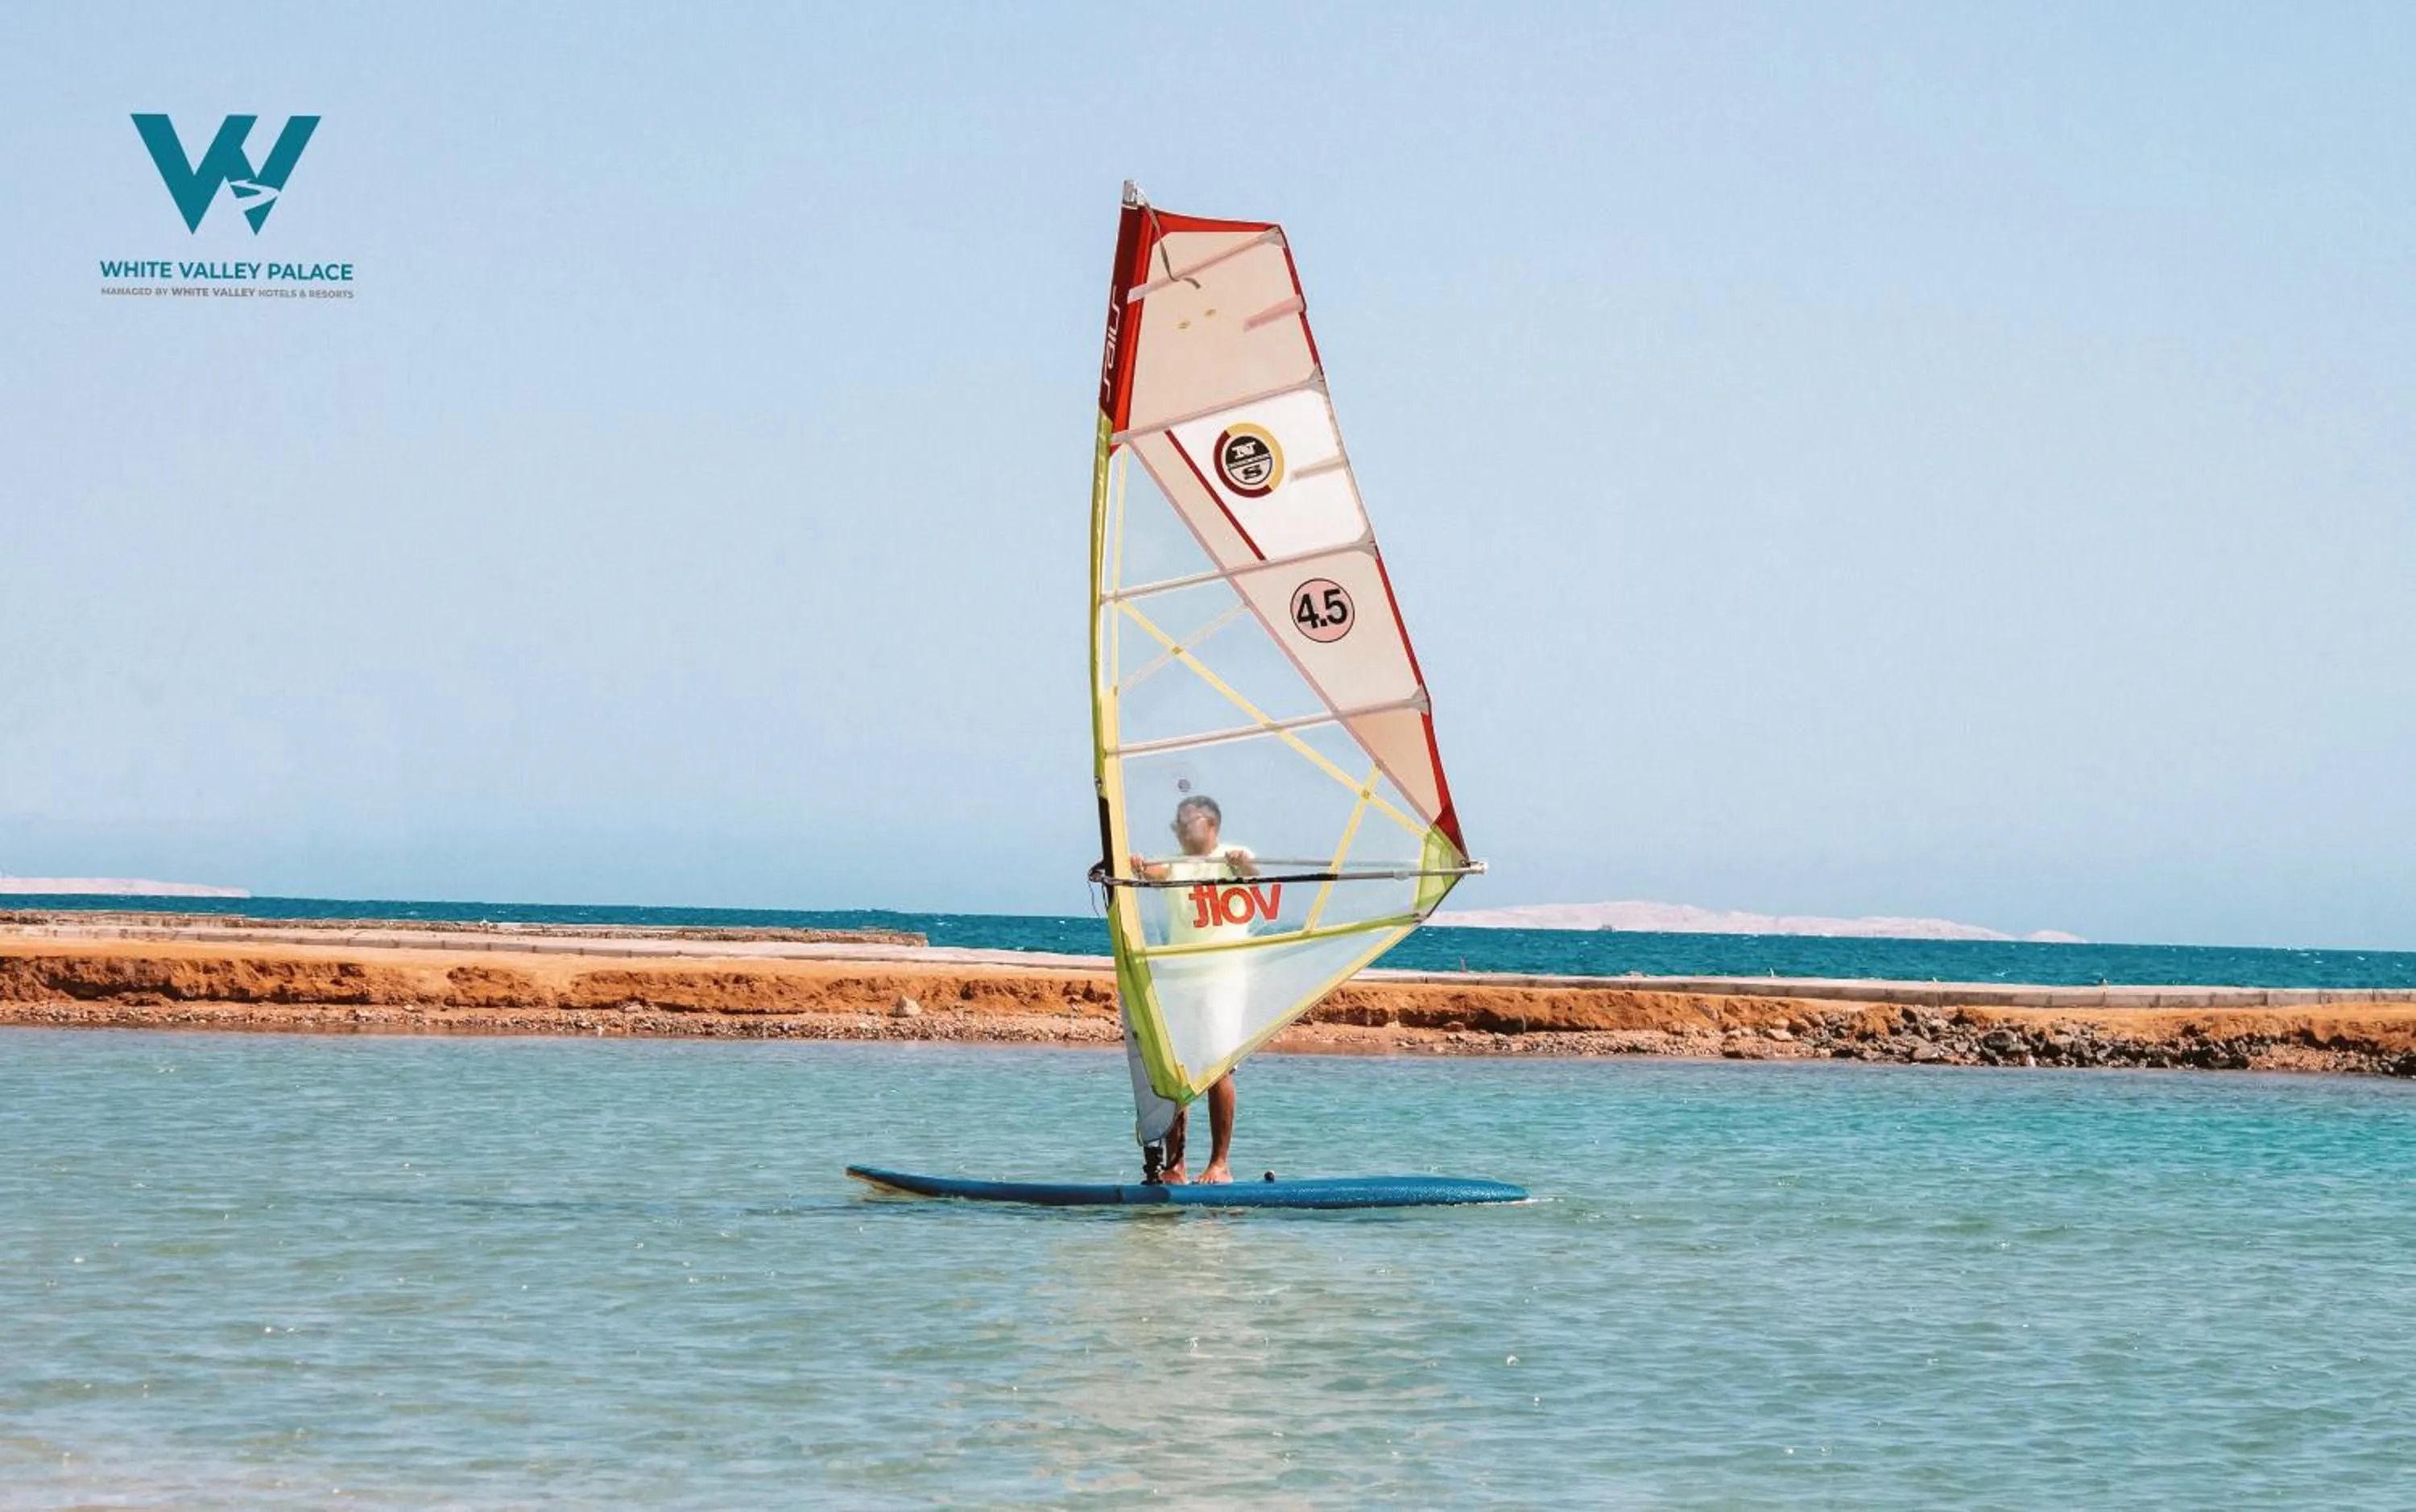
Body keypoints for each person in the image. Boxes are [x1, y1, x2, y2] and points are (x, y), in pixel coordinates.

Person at [1128, 793, 1255, 1184]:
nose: (1180, 830)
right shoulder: (1176, 864)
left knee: (1218, 1068)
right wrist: (1134, 865)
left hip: (1223, 979)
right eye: (1177, 825)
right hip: (1181, 980)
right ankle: (1176, 1165)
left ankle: (1220, 1164)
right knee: (1176, 1071)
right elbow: (1152, 873)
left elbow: (1251, 871)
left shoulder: (1233, 856)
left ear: (1211, 825)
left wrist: (1242, 865)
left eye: (1188, 823)